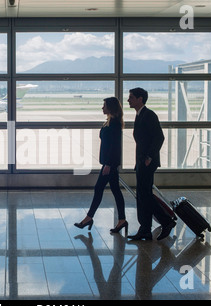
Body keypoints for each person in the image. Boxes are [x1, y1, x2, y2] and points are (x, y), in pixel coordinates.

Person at [126, 87, 175, 241]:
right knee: (141, 195)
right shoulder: (140, 115)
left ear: (140, 99)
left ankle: (166, 221)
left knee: (145, 195)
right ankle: (145, 229)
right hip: (141, 161)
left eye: (131, 97)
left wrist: (149, 157)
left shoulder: (149, 115)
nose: (128, 100)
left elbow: (159, 137)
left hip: (147, 161)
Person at [75, 97, 127, 234]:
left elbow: (114, 147)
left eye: (104, 105)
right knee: (115, 191)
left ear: (110, 107)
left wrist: (108, 164)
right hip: (108, 163)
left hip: (109, 164)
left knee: (99, 189)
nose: (102, 108)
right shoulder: (109, 122)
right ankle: (121, 220)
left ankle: (88, 218)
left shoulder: (114, 124)